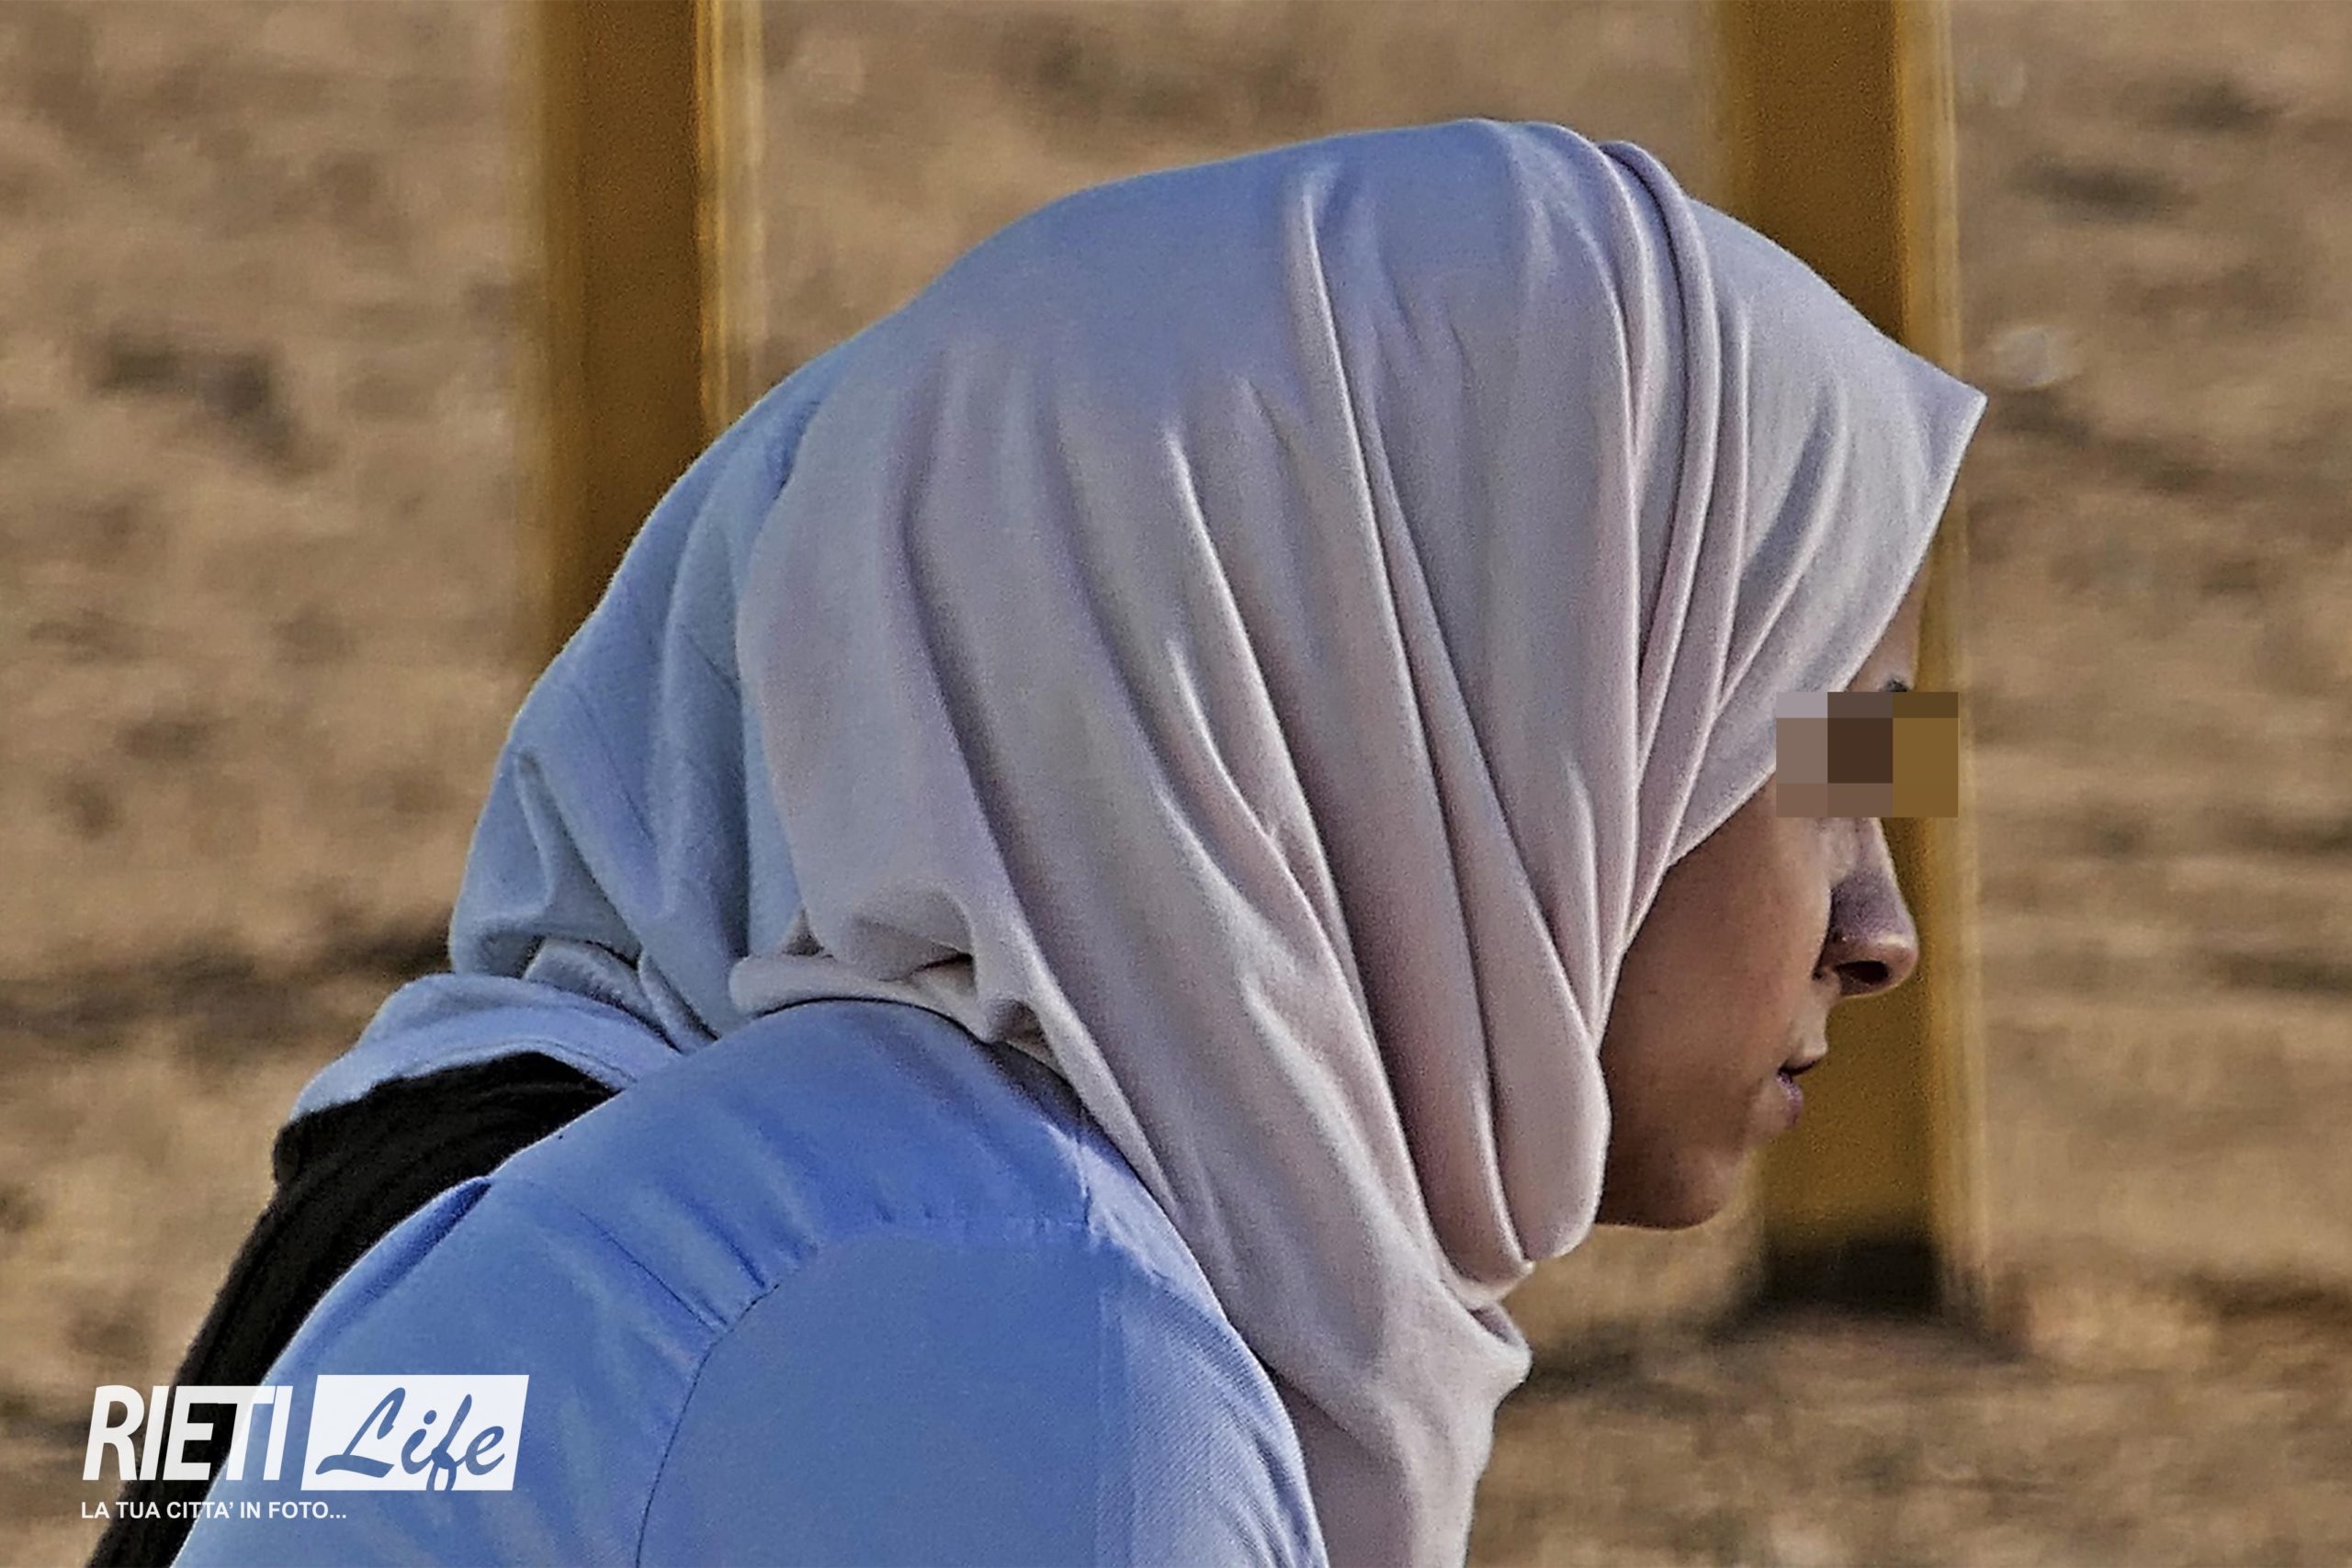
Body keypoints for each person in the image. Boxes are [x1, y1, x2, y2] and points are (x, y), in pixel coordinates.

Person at [136, 118, 1981, 1568]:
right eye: (1824, 761)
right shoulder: (1007, 1337)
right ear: (1467, 708)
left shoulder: (747, 1205)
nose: (1880, 929)